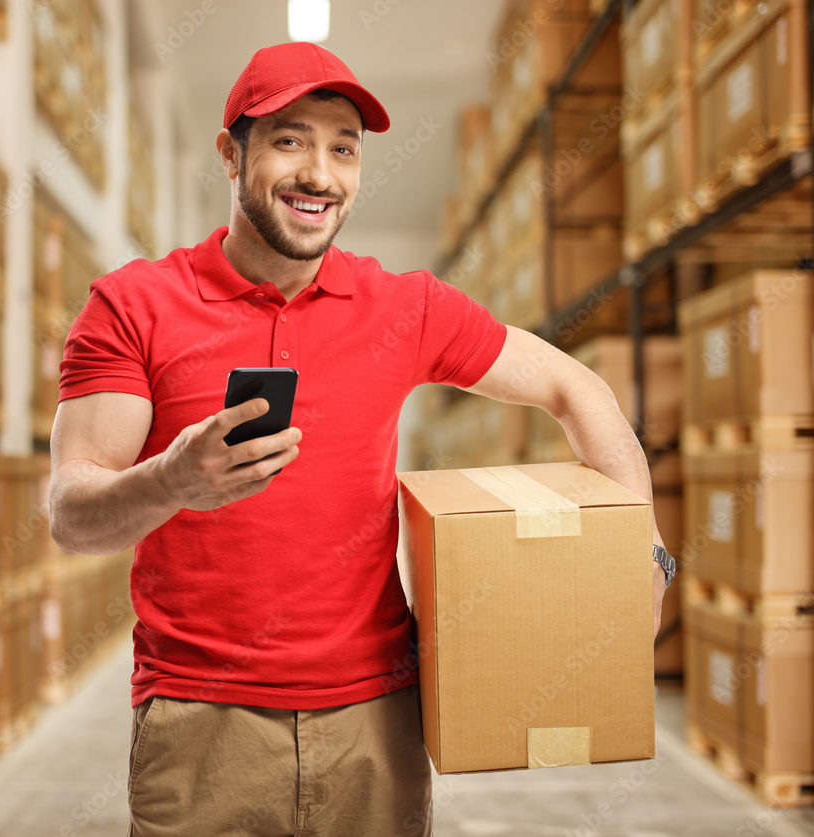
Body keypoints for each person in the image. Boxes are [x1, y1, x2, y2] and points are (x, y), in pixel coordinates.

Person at [49, 41, 675, 837]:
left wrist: (641, 550)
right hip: (203, 719)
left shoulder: (404, 307)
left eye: (343, 149)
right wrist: (172, 480)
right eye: (289, 140)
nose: (319, 173)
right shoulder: (135, 305)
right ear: (229, 154)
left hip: (376, 719)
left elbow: (574, 387)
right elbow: (73, 511)